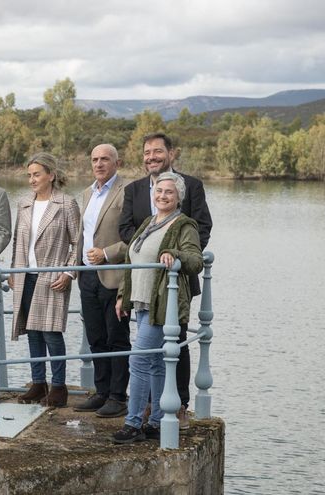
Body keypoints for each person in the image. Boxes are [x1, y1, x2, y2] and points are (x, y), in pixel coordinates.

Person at [119, 132, 213, 426]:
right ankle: (155, 412)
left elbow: (201, 229)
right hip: (142, 287)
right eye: (147, 152)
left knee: (174, 346)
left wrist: (177, 255)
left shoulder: (191, 187)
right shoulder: (135, 190)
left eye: (158, 151)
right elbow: (128, 233)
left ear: (171, 153)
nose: (152, 157)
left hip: (172, 283)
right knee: (156, 358)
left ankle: (176, 404)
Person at [9, 152, 80, 407]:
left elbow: (77, 244)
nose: (31, 180)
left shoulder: (66, 204)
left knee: (51, 333)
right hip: (25, 275)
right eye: (29, 175)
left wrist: (68, 272)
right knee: (32, 332)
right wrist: (12, 271)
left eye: (36, 174)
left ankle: (59, 388)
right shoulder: (24, 203)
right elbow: (18, 240)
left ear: (51, 175)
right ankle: (38, 384)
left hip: (52, 277)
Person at [72, 144, 131, 418]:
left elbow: (135, 235)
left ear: (116, 163)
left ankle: (118, 397)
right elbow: (83, 235)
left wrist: (107, 253)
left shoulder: (127, 192)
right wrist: (74, 268)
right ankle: (102, 392)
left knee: (116, 338)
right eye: (94, 159)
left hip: (114, 275)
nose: (99, 164)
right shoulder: (86, 193)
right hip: (87, 275)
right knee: (95, 337)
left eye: (104, 159)